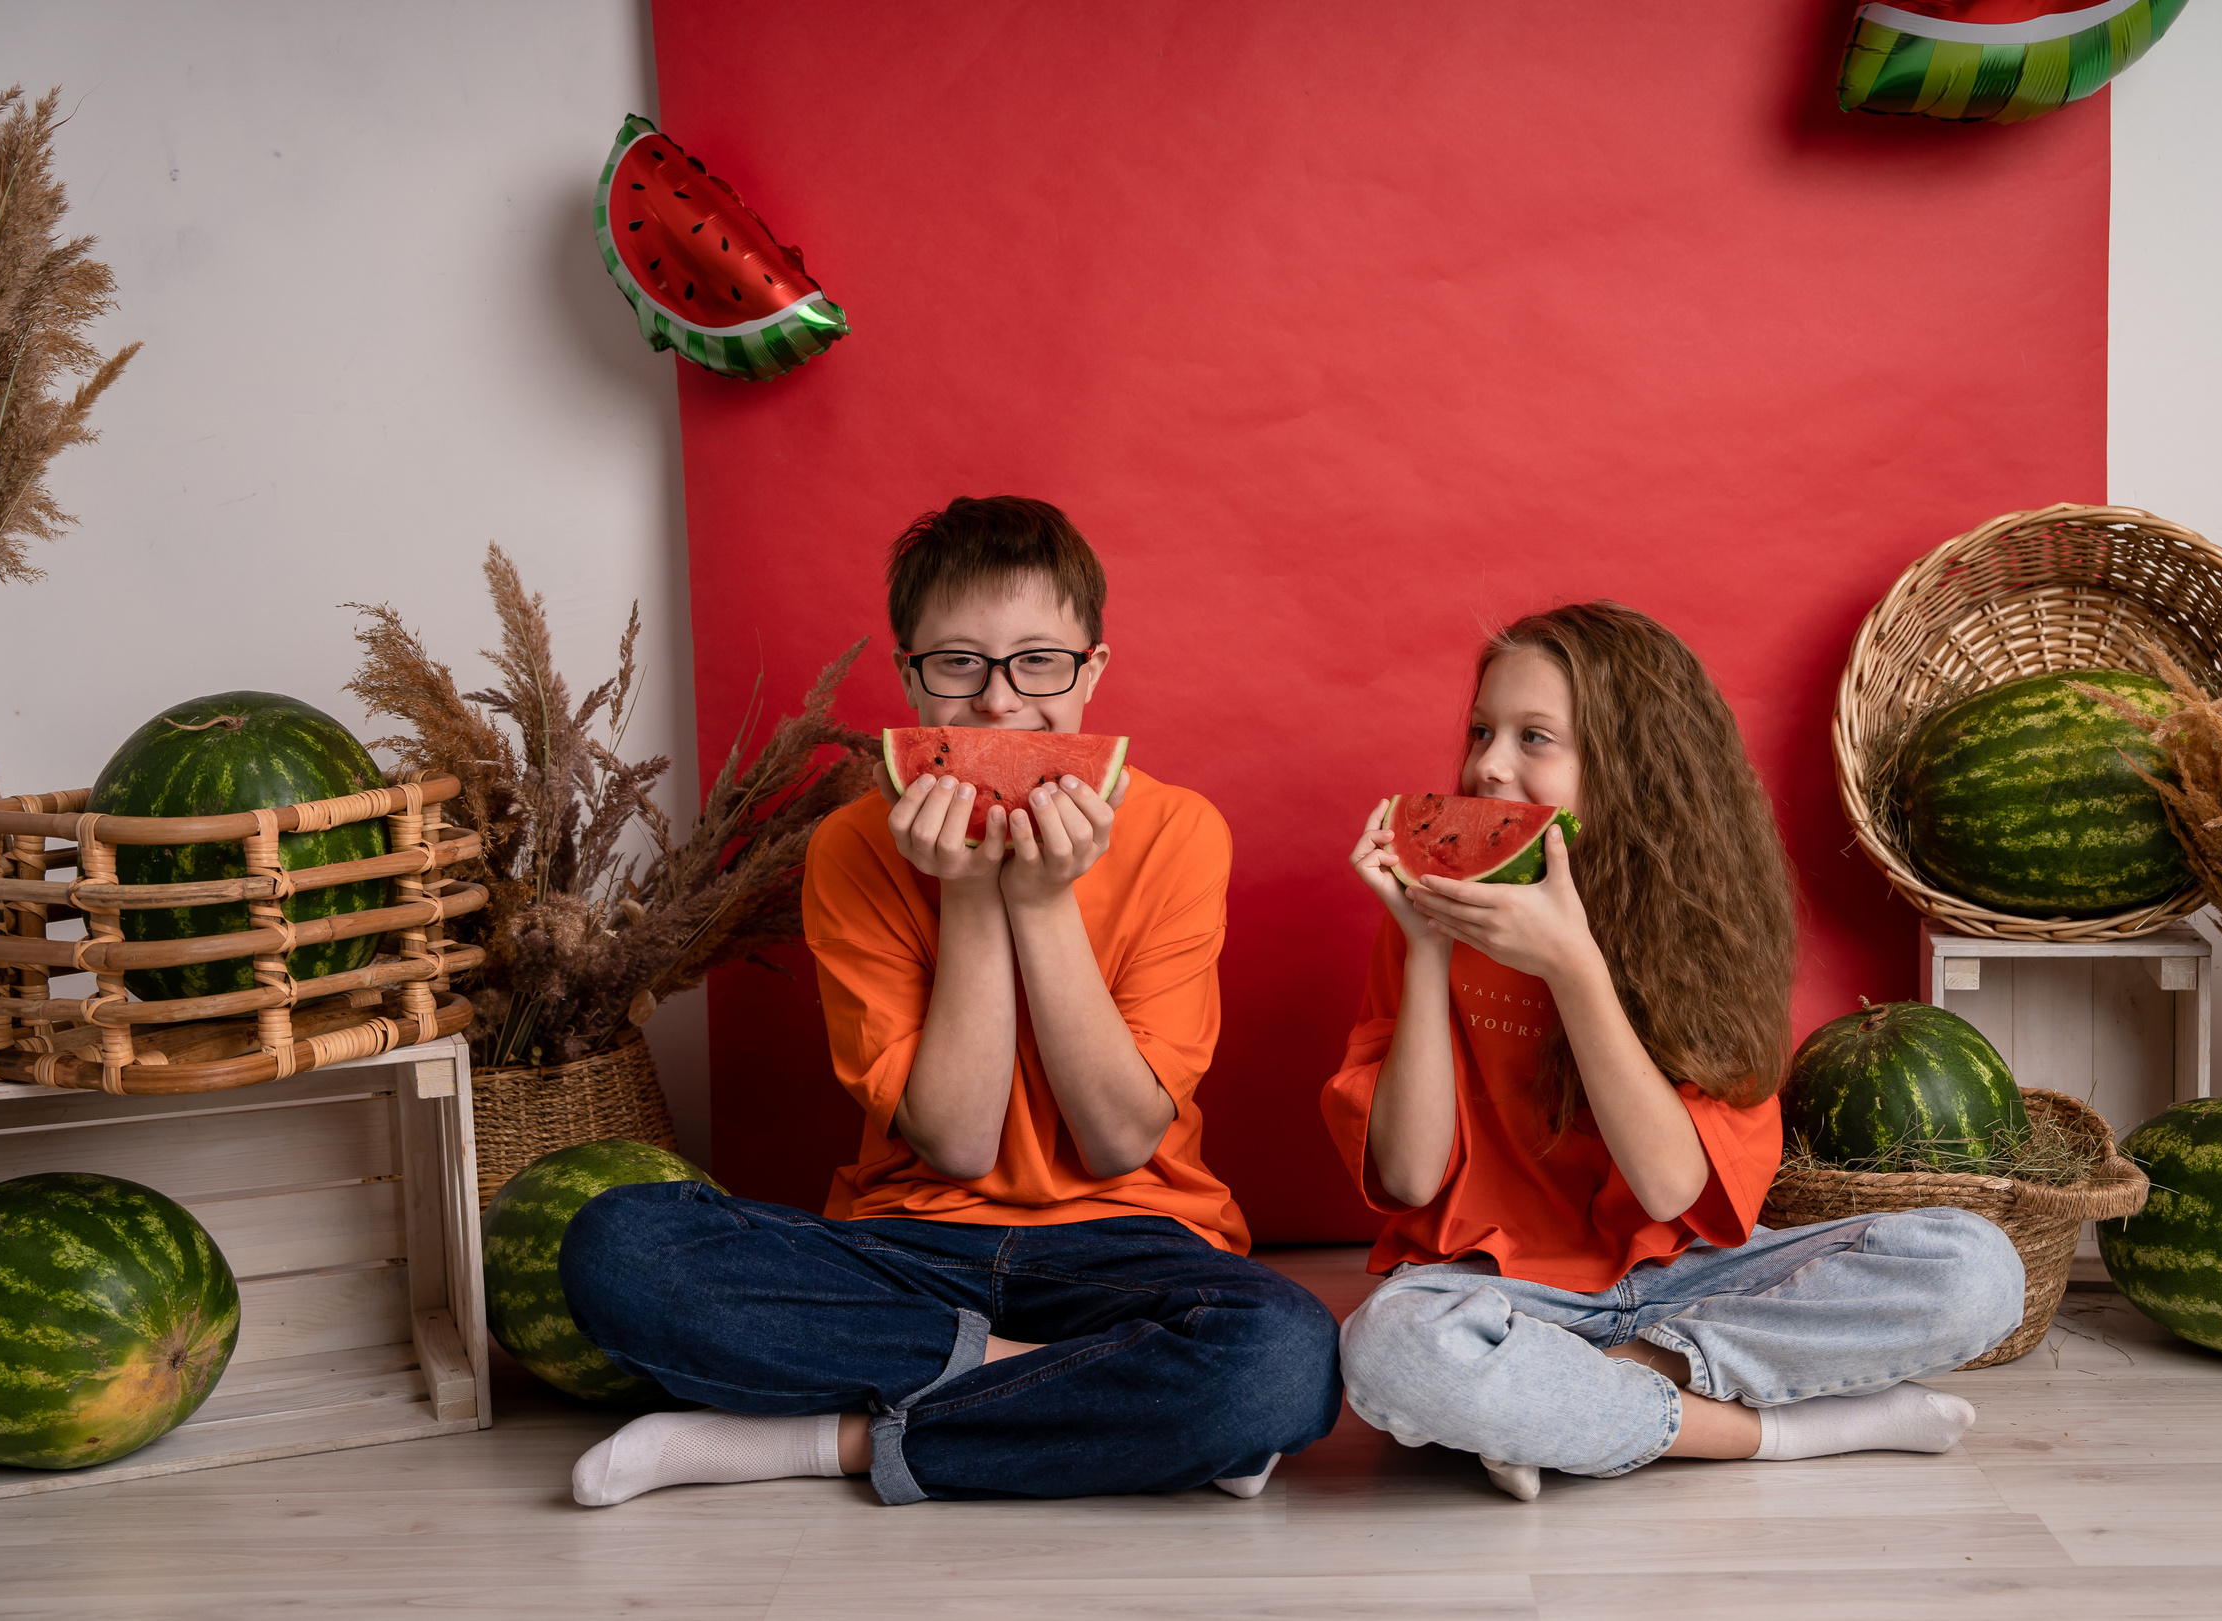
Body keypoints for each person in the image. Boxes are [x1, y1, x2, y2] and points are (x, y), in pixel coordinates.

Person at [557, 495, 1340, 1506]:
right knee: (619, 1248)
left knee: (1285, 1357)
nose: (1000, 704)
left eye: (1039, 661)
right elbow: (961, 1144)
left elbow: (1117, 1141)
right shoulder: (851, 846)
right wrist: (969, 890)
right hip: (905, 1245)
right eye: (960, 663)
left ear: (1093, 668)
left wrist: (1040, 900)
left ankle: (822, 1441)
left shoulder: (1178, 831)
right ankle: (1100, 1391)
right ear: (909, 674)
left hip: (1135, 1243)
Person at [1325, 601, 2023, 1501]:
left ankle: (1577, 1398)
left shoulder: (1706, 921)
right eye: (1481, 730)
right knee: (1387, 1349)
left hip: (1695, 1280)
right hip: (1497, 1288)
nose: (1488, 764)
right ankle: (1776, 1431)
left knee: (1975, 1268)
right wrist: (1425, 949)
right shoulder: (1433, 915)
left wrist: (1574, 968)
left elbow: (1668, 1189)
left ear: (1632, 764)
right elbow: (1411, 1176)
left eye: (1535, 737)